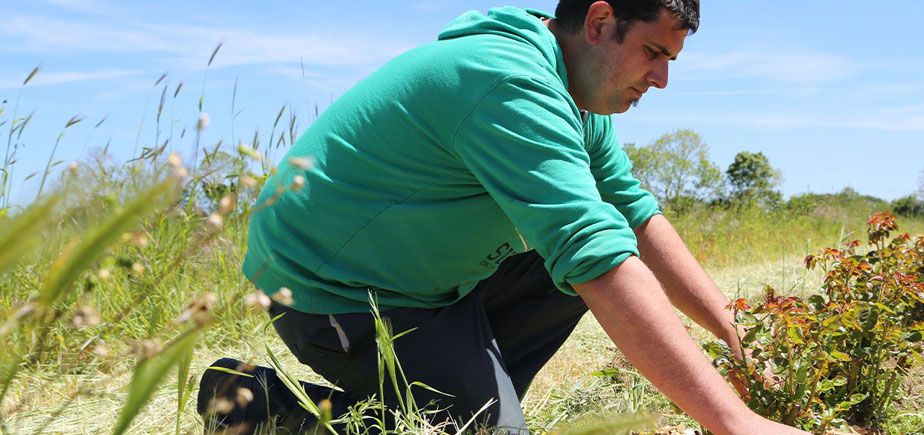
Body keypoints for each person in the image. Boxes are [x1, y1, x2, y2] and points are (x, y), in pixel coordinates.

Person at [198, 1, 807, 434]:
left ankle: (454, 406)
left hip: (428, 284)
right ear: (599, 22)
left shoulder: (575, 91)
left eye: (671, 58)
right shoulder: (506, 80)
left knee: (580, 266)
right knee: (492, 422)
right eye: (653, 51)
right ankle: (250, 404)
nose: (663, 78)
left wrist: (735, 335)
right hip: (334, 292)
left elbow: (633, 217)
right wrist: (735, 423)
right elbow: (592, 254)